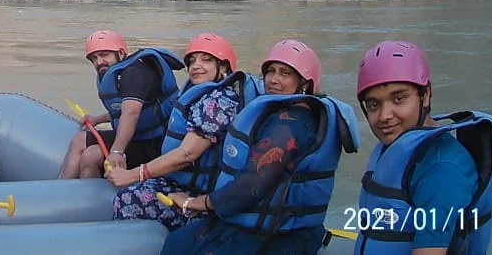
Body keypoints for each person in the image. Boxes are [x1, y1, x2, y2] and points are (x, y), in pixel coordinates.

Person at [160, 39, 360, 255]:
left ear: (304, 83)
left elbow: (251, 186)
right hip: (254, 221)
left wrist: (193, 202)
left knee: (180, 247)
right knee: (178, 243)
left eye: (285, 73)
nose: (273, 79)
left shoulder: (292, 125)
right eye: (271, 71)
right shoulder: (278, 113)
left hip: (280, 234)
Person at [352, 41, 492, 255]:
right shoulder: (400, 145)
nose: (384, 116)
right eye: (373, 105)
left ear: (425, 95)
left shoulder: (442, 169)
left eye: (399, 98)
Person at [110, 34, 262, 230]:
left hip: (198, 194)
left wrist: (134, 174)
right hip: (181, 182)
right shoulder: (201, 95)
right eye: (192, 60)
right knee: (131, 193)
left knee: (129, 200)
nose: (196, 65)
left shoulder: (219, 102)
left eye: (206, 60)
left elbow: (187, 154)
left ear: (223, 67)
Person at [59, 29, 185, 179]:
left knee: (91, 156)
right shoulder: (120, 73)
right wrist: (97, 119)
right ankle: (60, 187)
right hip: (138, 137)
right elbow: (123, 109)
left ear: (121, 53)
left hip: (156, 144)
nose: (99, 62)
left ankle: (91, 199)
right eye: (94, 58)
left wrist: (117, 152)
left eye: (104, 55)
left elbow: (131, 113)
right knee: (79, 139)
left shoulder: (136, 73)